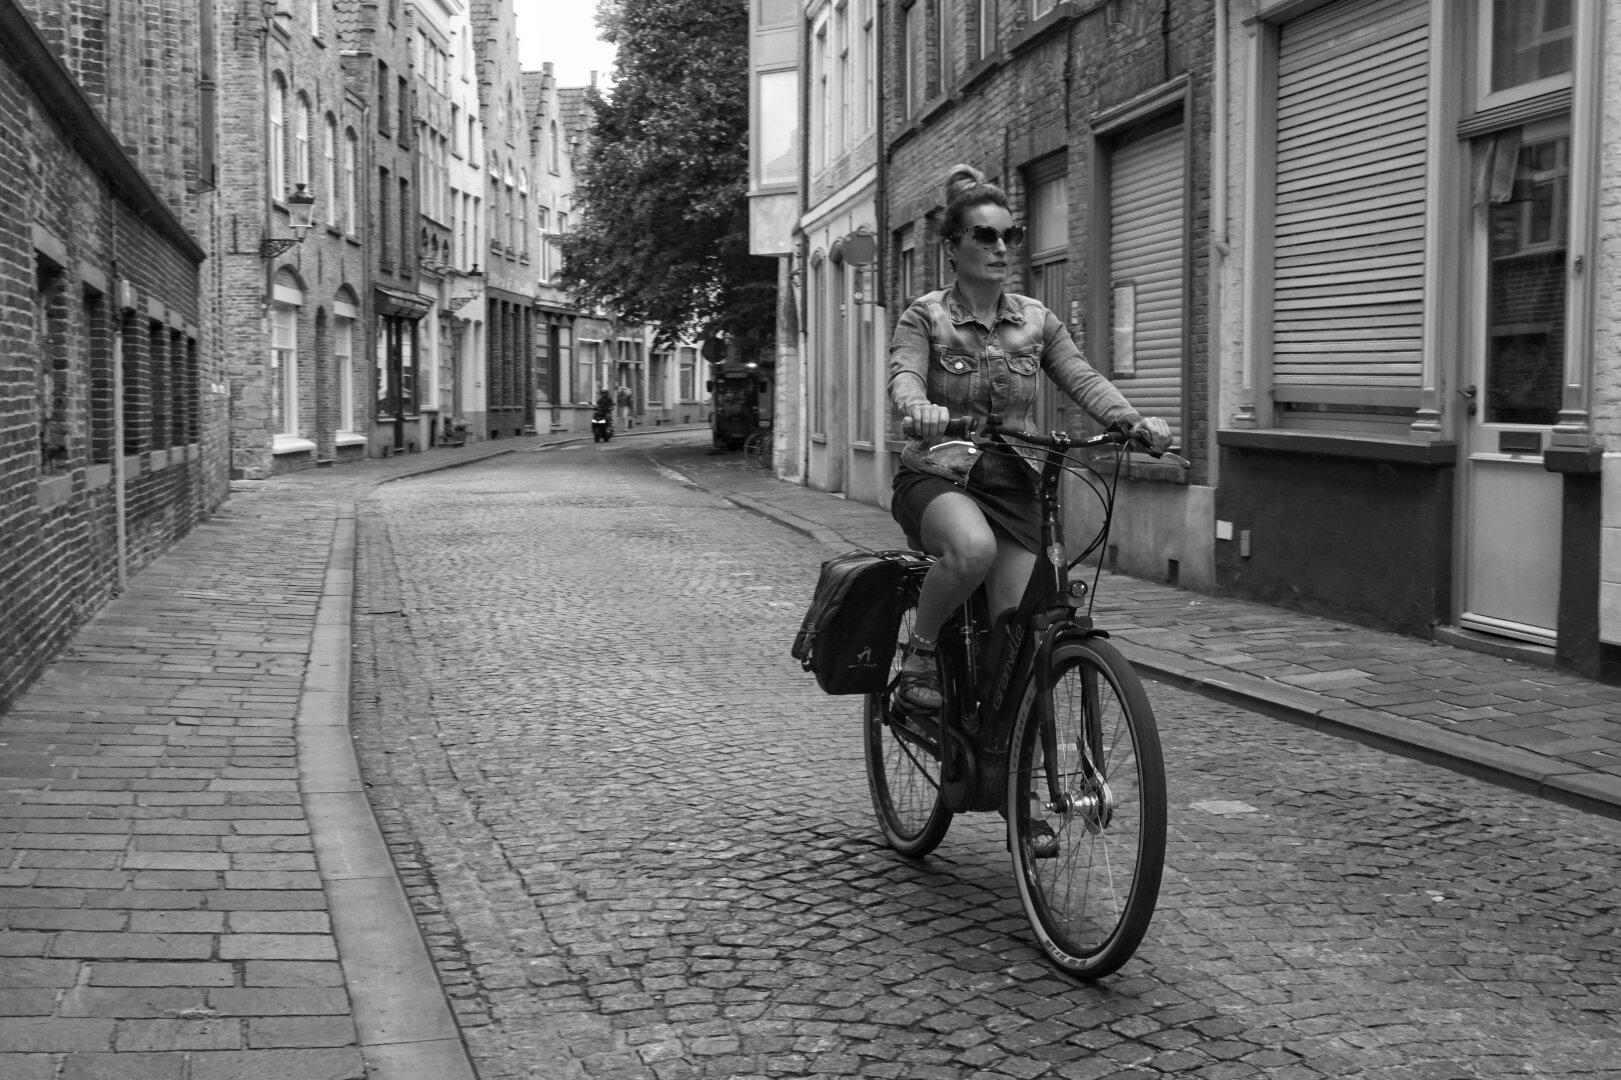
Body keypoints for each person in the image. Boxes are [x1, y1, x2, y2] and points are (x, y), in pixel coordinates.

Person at [887, 163, 1172, 711]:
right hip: (941, 473)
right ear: (953, 246)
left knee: (1020, 633)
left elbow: (1082, 376)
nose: (1001, 247)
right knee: (973, 551)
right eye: (985, 235)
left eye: (1010, 235)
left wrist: (1134, 423)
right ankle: (919, 656)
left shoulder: (1036, 321)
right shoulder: (925, 317)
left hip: (1016, 480)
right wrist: (918, 407)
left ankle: (997, 743)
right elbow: (906, 375)